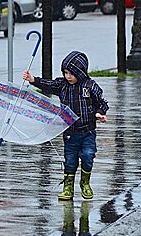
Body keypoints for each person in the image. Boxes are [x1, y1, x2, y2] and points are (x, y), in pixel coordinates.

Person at [22, 51, 109, 201]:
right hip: (70, 132)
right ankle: (68, 187)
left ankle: (85, 182)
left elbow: (102, 102)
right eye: (65, 73)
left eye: (71, 73)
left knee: (88, 155)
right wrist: (33, 80)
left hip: (88, 131)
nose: (68, 76)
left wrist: (99, 113)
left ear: (80, 72)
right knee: (70, 159)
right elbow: (48, 85)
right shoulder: (62, 85)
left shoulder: (90, 86)